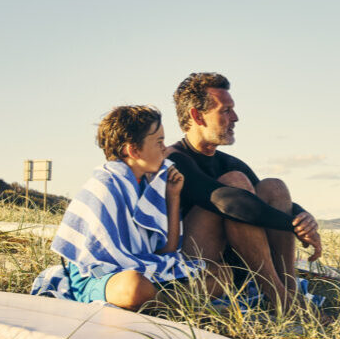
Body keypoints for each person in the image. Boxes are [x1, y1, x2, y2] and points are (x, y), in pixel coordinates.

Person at [31, 105, 226, 310]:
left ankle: (163, 302)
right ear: (133, 149)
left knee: (221, 274)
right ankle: (174, 301)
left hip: (147, 271)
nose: (165, 149)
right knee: (133, 287)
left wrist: (173, 197)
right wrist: (140, 272)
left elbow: (166, 251)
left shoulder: (152, 186)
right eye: (159, 142)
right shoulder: (103, 187)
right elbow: (100, 263)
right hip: (100, 278)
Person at [167, 72, 323, 313]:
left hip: (235, 265)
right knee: (235, 185)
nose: (235, 118)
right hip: (196, 269)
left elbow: (270, 204)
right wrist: (292, 224)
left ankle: (290, 291)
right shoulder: (173, 158)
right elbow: (231, 203)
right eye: (225, 111)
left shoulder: (229, 162)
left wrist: (305, 220)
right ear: (197, 116)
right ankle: (279, 298)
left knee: (274, 186)